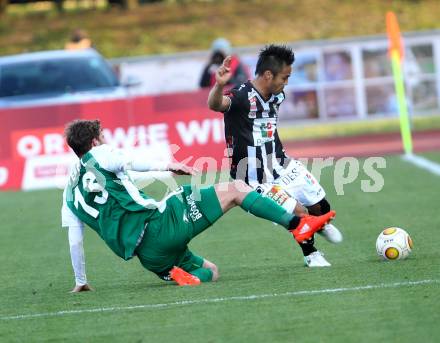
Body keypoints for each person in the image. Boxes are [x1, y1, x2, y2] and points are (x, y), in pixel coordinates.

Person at [62, 119, 335, 291]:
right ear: (95, 141)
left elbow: (75, 240)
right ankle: (298, 225)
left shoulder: (70, 190)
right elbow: (129, 162)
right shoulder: (101, 153)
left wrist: (81, 280)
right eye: (103, 136)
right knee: (237, 189)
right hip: (159, 225)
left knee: (212, 272)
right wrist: (167, 164)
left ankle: (187, 276)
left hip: (149, 257)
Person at [207, 44, 343, 267]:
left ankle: (321, 224)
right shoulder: (241, 96)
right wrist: (219, 86)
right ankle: (312, 255)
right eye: (285, 77)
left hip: (282, 164)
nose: (286, 82)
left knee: (321, 207)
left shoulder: (277, 96)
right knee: (298, 213)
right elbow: (215, 104)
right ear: (268, 75)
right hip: (253, 178)